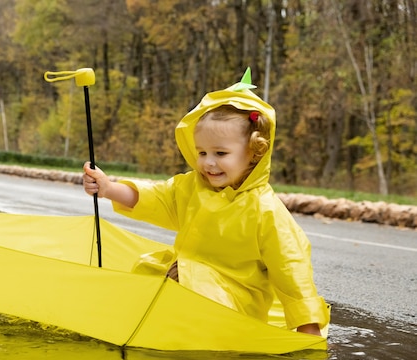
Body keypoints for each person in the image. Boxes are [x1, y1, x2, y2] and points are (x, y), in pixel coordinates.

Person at [82, 69, 329, 336]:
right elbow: (156, 199)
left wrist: (308, 331)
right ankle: (147, 324)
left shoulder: (265, 210)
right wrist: (109, 189)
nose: (208, 162)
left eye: (221, 153)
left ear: (254, 153)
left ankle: (170, 322)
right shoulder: (191, 187)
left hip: (236, 304)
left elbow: (291, 270)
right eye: (202, 152)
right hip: (188, 281)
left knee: (183, 275)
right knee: (147, 272)